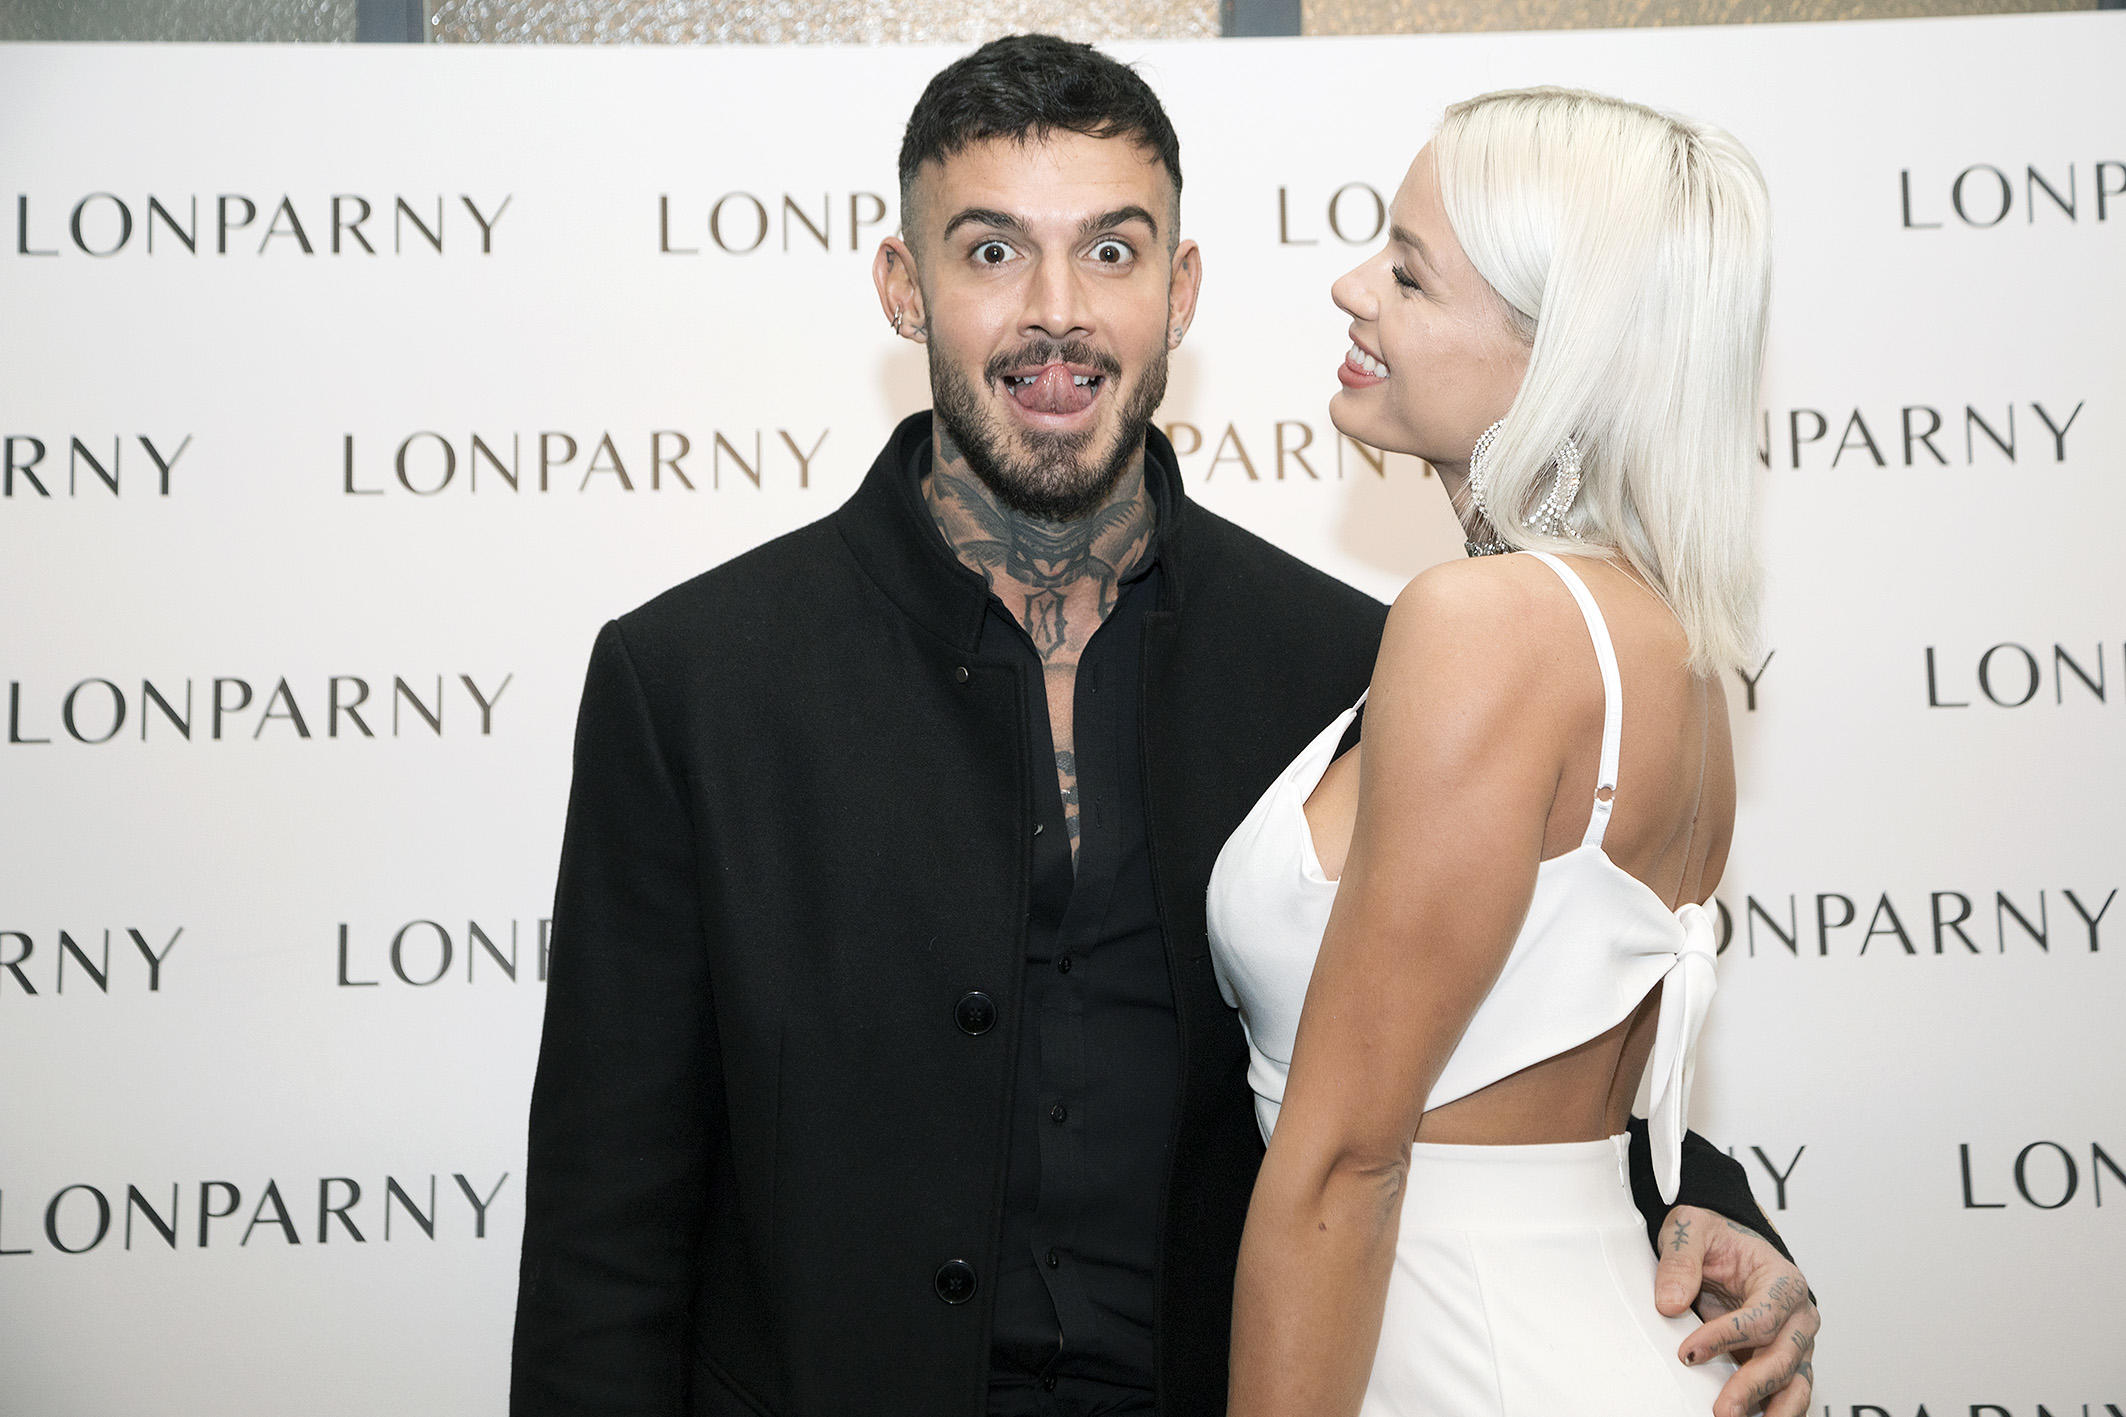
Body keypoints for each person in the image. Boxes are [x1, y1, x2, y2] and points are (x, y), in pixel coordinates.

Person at [511, 41, 1817, 1417]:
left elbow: (1500, 1039)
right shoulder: (695, 682)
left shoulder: (1355, 670)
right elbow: (608, 1219)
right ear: (903, 287)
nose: (1057, 312)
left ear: (1180, 291)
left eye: (1112, 252)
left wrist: (1709, 1211)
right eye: (992, 252)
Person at [1211, 88, 1810, 1417]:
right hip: (1576, 1339)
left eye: (1409, 273)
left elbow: (1346, 1162)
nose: (1351, 288)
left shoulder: (1483, 625)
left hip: (1458, 1358)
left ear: (1559, 350)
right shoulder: (1669, 643)